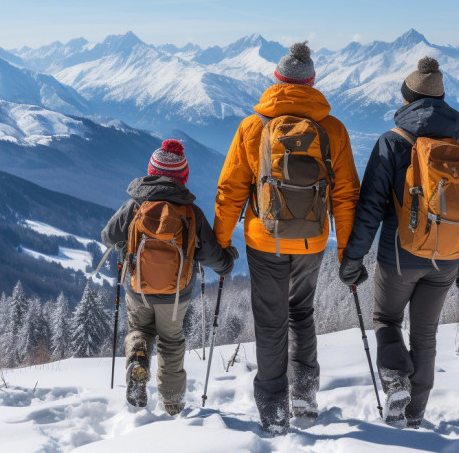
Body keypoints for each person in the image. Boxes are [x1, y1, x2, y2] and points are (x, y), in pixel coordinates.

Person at [214, 42, 360, 433]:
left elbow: (230, 190)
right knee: (301, 312)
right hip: (313, 240)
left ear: (276, 81)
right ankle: (305, 394)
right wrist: (347, 253)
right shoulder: (332, 129)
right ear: (311, 83)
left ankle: (273, 407)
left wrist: (221, 243)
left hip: (265, 240)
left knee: (270, 320)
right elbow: (346, 195)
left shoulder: (253, 126)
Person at [339, 56, 459, 429]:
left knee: (386, 319)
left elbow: (370, 209)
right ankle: (415, 416)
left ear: (407, 99)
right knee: (425, 336)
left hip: (399, 257)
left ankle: (395, 384)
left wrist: (353, 259)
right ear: (442, 100)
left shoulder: (392, 142)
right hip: (447, 257)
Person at [102, 139, 237, 416]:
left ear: (151, 171)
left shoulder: (135, 206)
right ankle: (173, 404)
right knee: (171, 343)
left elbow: (108, 236)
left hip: (138, 289)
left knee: (139, 330)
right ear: (183, 177)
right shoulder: (191, 213)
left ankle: (138, 358)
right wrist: (227, 263)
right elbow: (211, 255)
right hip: (176, 294)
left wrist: (124, 246)